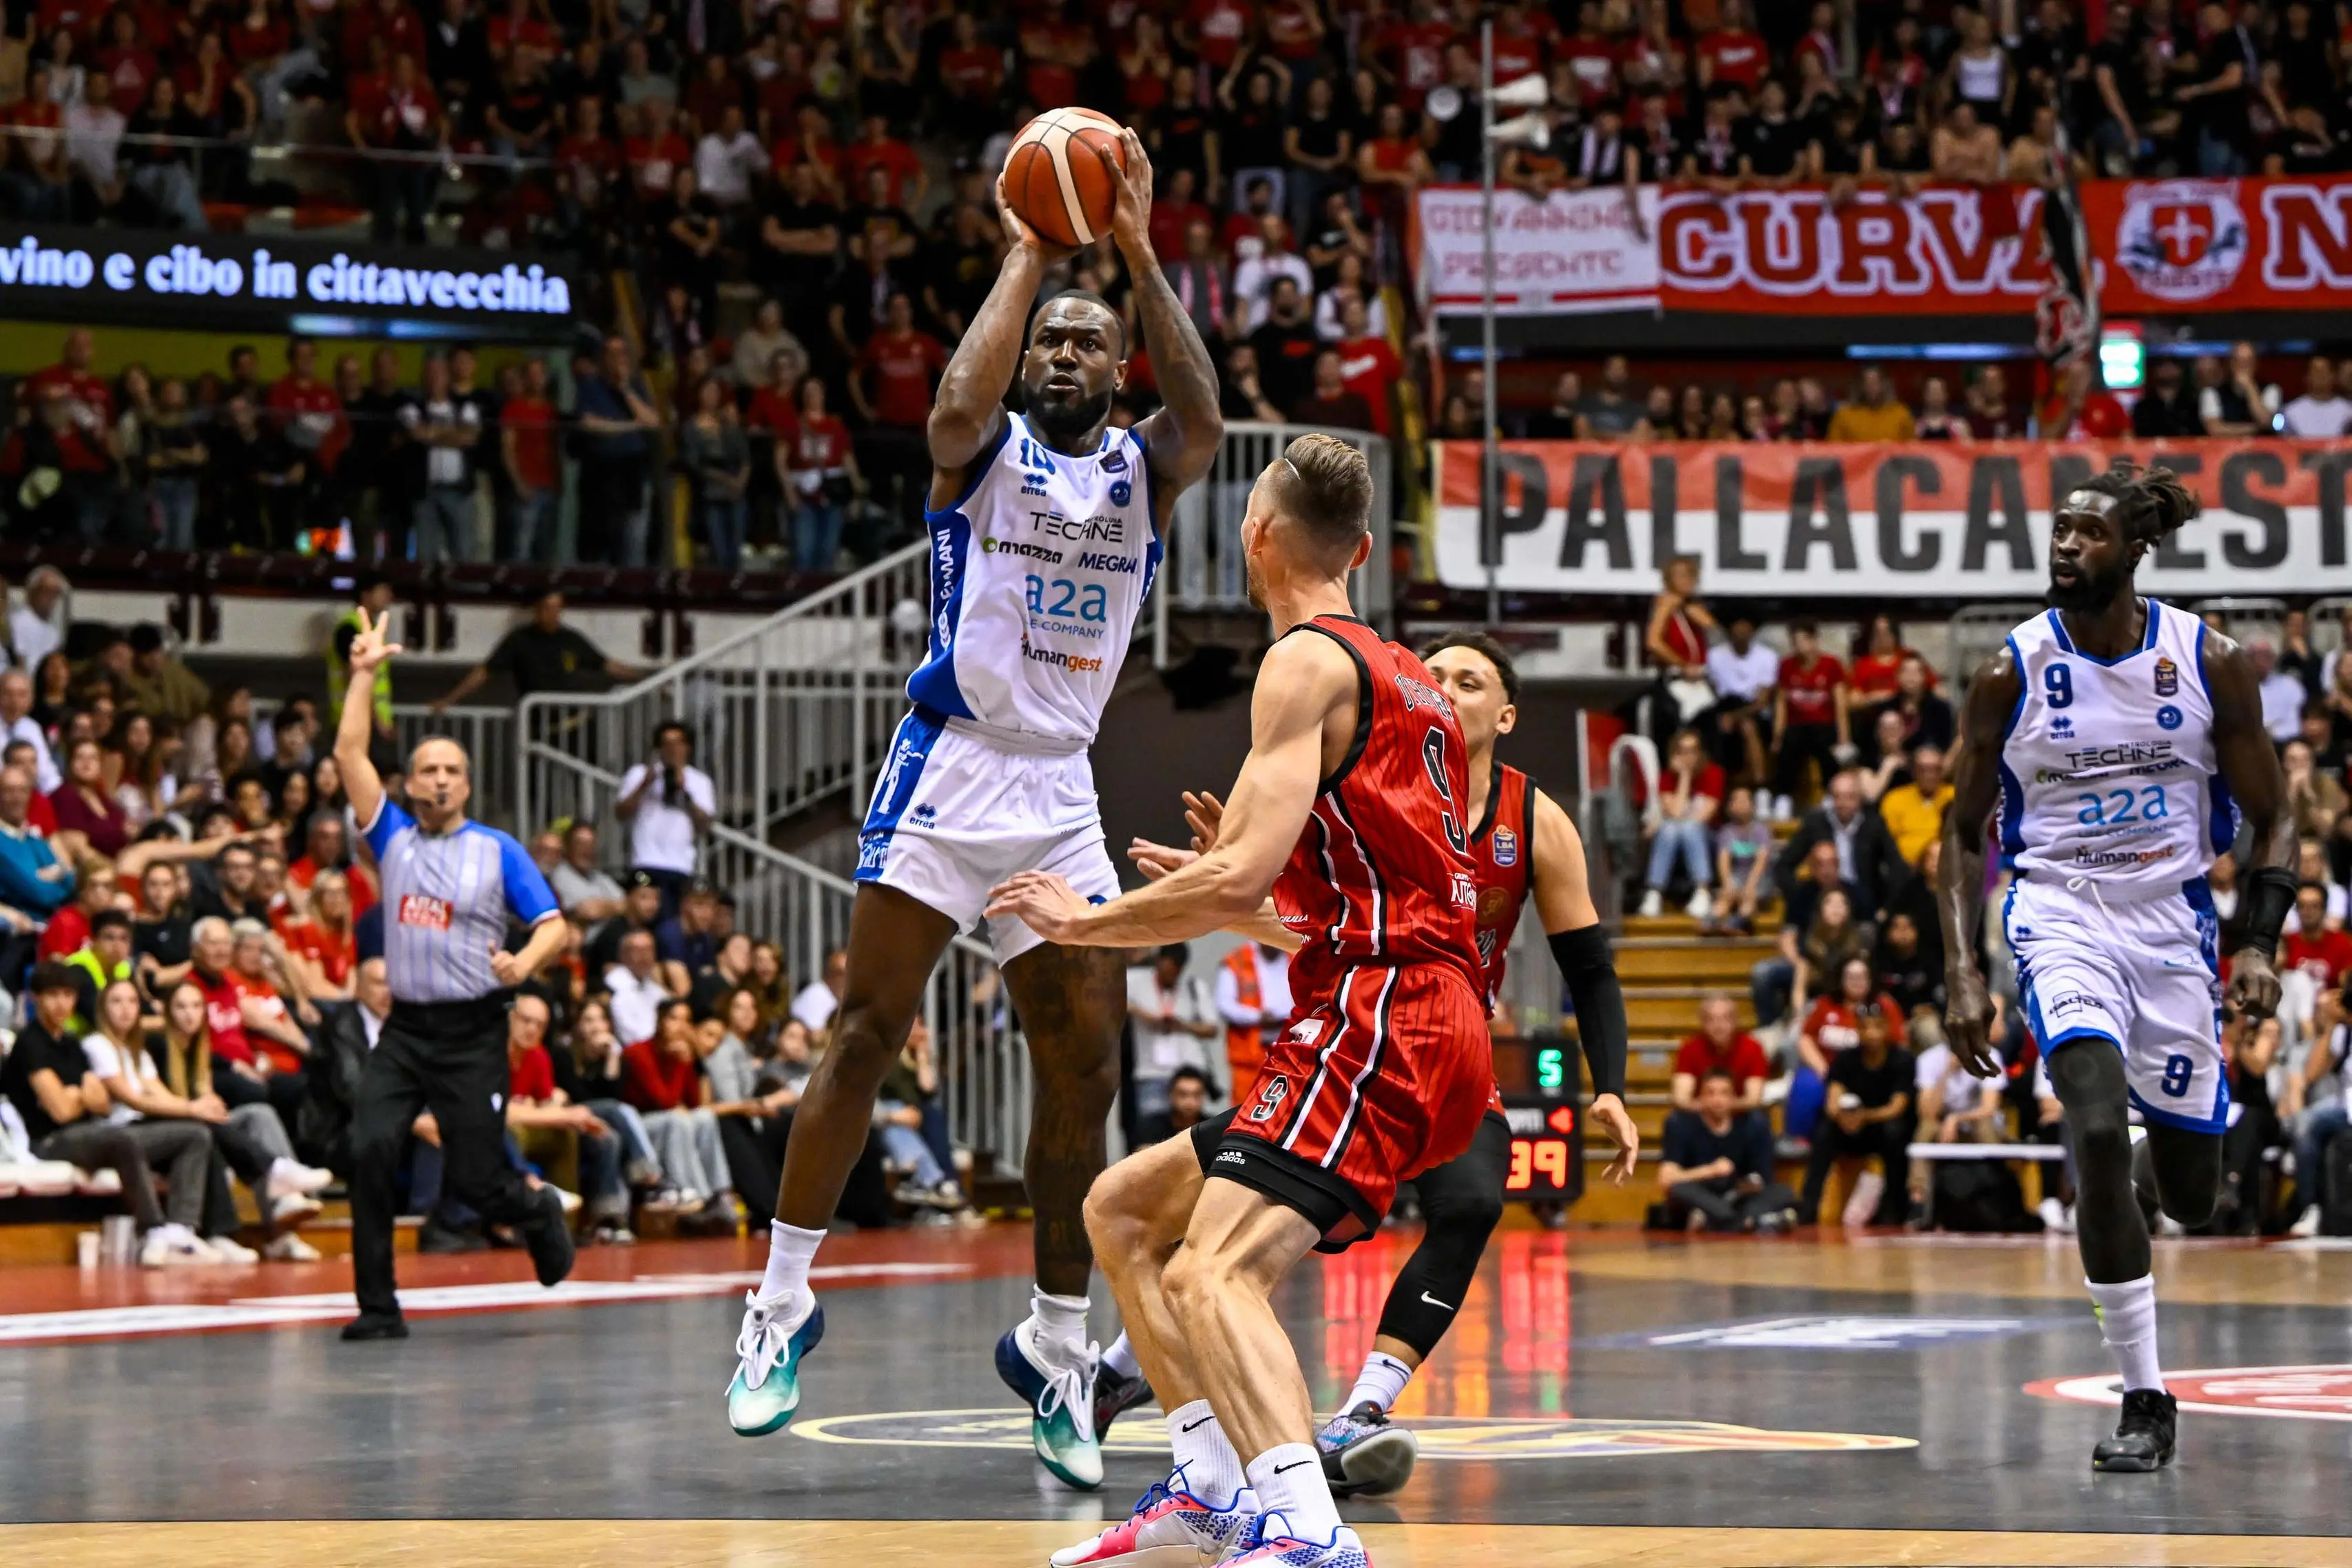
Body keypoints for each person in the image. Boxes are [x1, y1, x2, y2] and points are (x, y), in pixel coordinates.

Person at [723, 125, 1225, 1490]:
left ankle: (1059, 1348)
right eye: (1046, 342)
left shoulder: (1142, 465)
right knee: (867, 1031)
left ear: (1118, 370)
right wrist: (1025, 252)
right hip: (949, 766)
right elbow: (947, 409)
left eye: (1087, 343)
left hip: (1060, 790)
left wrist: (1126, 247)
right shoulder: (982, 447)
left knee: (1083, 1072)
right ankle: (777, 1307)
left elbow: (1211, 420)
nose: (1062, 357)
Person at [987, 436, 1540, 1568]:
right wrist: (1242, 881)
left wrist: (1082, 922)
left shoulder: (1300, 664)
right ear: (1364, 549)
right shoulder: (1409, 680)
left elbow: (1237, 880)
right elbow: (1306, 903)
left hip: (1379, 1018)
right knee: (1122, 1209)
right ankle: (1205, 1486)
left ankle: (1298, 1523)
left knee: (1213, 1267)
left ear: (1256, 536)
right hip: (1421, 1015)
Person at [1939, 462, 2293, 1472]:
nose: (2064, 548)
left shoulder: (2209, 662)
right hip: (2060, 912)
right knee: (2092, 1128)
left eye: (2087, 534)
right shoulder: (2007, 672)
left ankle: (2137, 1192)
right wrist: (1961, 971)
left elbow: (2274, 818)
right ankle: (2145, 1393)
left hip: (2171, 921)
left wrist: (2259, 941)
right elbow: (1962, 834)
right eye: (2057, 530)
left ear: (2133, 549)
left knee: (2192, 1195)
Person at [333, 606, 577, 1341]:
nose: (438, 779)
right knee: (368, 1148)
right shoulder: (393, 839)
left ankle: (537, 1209)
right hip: (406, 1031)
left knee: (477, 1180)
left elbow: (555, 926)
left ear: (466, 786)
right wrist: (364, 673)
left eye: (451, 770)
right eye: (427, 769)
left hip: (474, 1030)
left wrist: (522, 963)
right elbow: (349, 753)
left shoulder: (498, 849)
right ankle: (378, 1307)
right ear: (407, 784)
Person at [1, 962, 216, 1265]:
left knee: (194, 1134)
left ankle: (181, 1230)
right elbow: (61, 1112)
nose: (62, 1003)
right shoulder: (30, 1043)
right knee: (121, 1139)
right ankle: (152, 1231)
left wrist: (78, 1096)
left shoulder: (72, 1045)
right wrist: (80, 1094)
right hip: (49, 1142)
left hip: (92, 1132)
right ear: (35, 998)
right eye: (52, 995)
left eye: (68, 995)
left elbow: (102, 1103)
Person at [1795, 1000, 1915, 1226]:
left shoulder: (1902, 1060)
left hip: (1881, 1126)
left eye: (1877, 1027)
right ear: (1857, 1030)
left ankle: (1893, 1209)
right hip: (1849, 1125)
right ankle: (1808, 1208)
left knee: (1895, 1134)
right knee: (1824, 1134)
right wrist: (1843, 1118)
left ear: (1888, 1029)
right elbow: (1833, 1099)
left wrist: (1864, 1117)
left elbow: (1896, 1107)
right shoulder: (1845, 1059)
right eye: (1865, 1028)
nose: (1871, 1034)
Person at [1658, 1070, 1794, 1232]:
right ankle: (1751, 1221)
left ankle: (1719, 1221)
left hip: (1737, 1197)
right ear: (1700, 1098)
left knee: (1784, 1191)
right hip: (1702, 1194)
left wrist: (1747, 1185)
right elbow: (1666, 1179)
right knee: (1679, 1191)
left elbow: (1764, 1179)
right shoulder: (1680, 1125)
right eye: (1710, 1093)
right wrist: (1710, 1171)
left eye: (1724, 1093)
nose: (1717, 1100)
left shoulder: (1753, 1126)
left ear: (1733, 1099)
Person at [615, 723, 714, 908]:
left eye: (677, 744)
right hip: (644, 867)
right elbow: (621, 813)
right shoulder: (639, 773)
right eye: (666, 744)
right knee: (645, 914)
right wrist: (645, 783)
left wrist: (684, 792)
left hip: (680, 869)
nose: (672, 750)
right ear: (658, 748)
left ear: (687, 748)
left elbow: (704, 825)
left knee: (672, 919)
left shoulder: (700, 781)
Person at [1124, 942, 1219, 1128]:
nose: (1170, 975)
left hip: (1187, 1071)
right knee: (1152, 1133)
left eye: (1175, 971)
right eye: (1166, 969)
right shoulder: (1135, 980)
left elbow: (1212, 1029)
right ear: (1158, 962)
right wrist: (1141, 1014)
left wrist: (1182, 1026)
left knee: (1188, 1129)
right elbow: (1110, 998)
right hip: (1151, 1072)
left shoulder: (1193, 986)